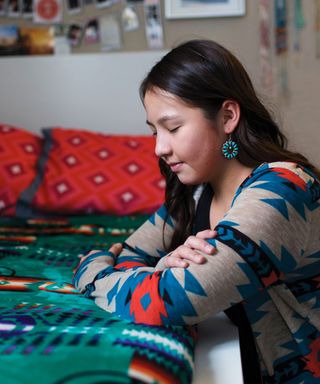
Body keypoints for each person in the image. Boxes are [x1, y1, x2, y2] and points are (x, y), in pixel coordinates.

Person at [73, 40, 320, 383]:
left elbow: (169, 300)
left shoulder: (283, 191)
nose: (159, 147)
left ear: (228, 116)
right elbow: (132, 256)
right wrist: (161, 268)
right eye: (154, 131)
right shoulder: (197, 193)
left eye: (173, 128)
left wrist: (90, 270)